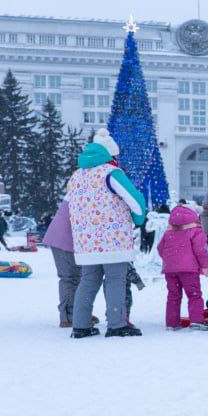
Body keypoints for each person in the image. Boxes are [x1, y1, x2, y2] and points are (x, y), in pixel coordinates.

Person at [65, 130, 147, 339]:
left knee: (88, 281)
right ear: (112, 155)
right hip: (113, 240)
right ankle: (117, 324)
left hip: (85, 242)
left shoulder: (76, 176)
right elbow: (136, 201)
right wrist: (139, 220)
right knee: (115, 280)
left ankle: (80, 325)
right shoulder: (111, 173)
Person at [157, 204, 208, 331]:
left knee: (173, 295)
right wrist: (205, 266)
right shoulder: (196, 230)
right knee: (194, 295)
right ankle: (196, 321)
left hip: (170, 270)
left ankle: (172, 323)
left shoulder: (169, 231)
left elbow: (160, 248)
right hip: (189, 270)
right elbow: (200, 250)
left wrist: (170, 260)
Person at [41, 200, 93, 328]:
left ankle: (77, 312)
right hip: (64, 240)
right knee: (70, 278)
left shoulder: (82, 189)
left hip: (67, 239)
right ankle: (68, 316)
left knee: (76, 278)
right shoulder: (84, 192)